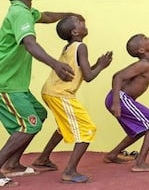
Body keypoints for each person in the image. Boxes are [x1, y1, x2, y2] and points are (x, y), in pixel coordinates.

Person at [0, 0, 82, 187]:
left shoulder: (25, 12)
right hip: (5, 83)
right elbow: (29, 43)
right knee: (29, 124)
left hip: (16, 83)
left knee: (38, 115)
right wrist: (55, 64)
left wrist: (69, 14)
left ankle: (12, 164)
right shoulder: (19, 14)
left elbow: (45, 16)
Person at [33, 15, 112, 183]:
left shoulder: (69, 47)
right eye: (80, 23)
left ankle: (43, 159)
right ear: (75, 31)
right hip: (60, 93)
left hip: (52, 91)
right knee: (87, 129)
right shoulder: (81, 47)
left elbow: (81, 73)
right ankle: (69, 171)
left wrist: (97, 65)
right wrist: (102, 66)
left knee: (64, 127)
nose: (84, 23)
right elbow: (89, 77)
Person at [104, 33, 149, 172]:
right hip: (120, 98)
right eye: (146, 39)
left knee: (142, 127)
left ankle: (112, 154)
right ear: (142, 50)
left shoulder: (146, 64)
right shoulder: (143, 65)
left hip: (119, 98)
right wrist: (117, 103)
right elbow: (117, 77)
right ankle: (140, 163)